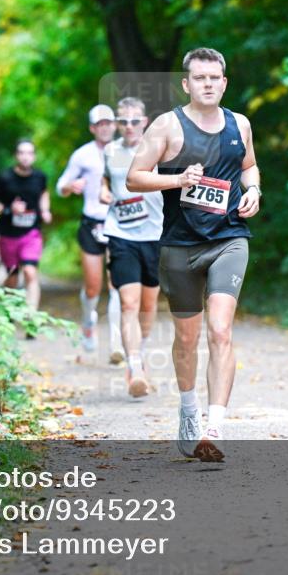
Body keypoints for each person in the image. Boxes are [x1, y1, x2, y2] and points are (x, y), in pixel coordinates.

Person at [126, 47, 261, 462]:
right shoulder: (168, 126)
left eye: (214, 78)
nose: (207, 84)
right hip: (181, 245)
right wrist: (176, 179)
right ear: (186, 84)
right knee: (186, 339)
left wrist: (253, 189)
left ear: (224, 82)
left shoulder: (240, 124)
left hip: (229, 239)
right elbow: (134, 177)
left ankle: (215, 425)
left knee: (221, 330)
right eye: (199, 78)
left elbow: (249, 166)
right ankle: (189, 412)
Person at [102, 97, 163, 398]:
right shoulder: (109, 151)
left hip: (155, 236)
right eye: (122, 121)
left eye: (134, 121)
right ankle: (135, 367)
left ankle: (141, 351)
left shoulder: (159, 150)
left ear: (145, 121)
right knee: (129, 303)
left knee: (149, 307)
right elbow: (104, 181)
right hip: (120, 235)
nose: (128, 127)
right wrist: (104, 193)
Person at [57, 104, 123, 361]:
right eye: (100, 124)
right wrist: (70, 187)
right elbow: (60, 186)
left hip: (118, 223)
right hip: (92, 224)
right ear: (93, 128)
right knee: (94, 287)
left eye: (109, 122)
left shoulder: (125, 152)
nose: (105, 127)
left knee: (117, 284)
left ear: (115, 125)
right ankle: (88, 321)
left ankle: (117, 342)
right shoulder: (82, 155)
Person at [0, 139, 52, 318]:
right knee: (12, 276)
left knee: (31, 272)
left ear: (34, 156)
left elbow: (44, 193)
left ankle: (31, 317)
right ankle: (9, 313)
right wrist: (10, 209)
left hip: (31, 233)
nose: (25, 157)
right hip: (8, 235)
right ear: (16, 156)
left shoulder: (40, 177)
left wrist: (45, 210)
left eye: (29, 153)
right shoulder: (5, 178)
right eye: (22, 153)